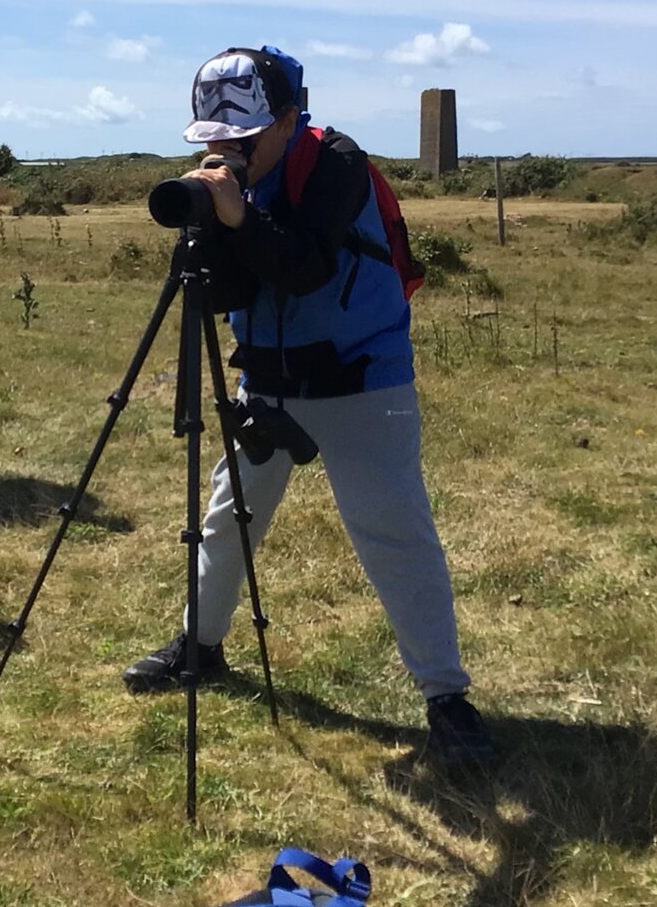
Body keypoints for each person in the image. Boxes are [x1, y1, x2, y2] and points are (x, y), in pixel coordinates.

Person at [121, 45, 500, 767]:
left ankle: (447, 700)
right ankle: (199, 645)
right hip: (267, 379)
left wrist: (239, 220)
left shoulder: (337, 165)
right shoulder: (238, 179)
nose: (228, 154)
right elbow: (233, 294)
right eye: (214, 143)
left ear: (290, 119)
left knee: (394, 533)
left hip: (362, 376)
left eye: (243, 140)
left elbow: (305, 267)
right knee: (227, 519)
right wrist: (206, 233)